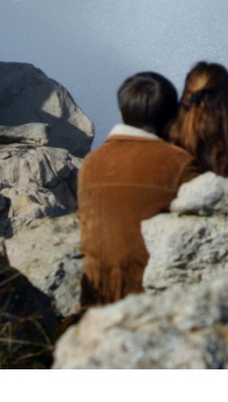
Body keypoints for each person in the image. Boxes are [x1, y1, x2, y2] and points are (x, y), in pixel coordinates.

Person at [75, 71, 195, 308]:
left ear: (121, 114)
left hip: (95, 304)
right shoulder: (180, 163)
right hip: (153, 306)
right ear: (174, 116)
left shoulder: (91, 163)